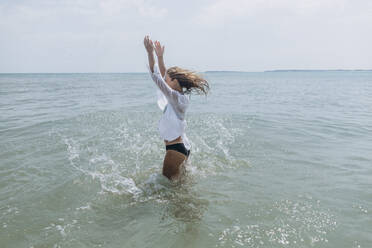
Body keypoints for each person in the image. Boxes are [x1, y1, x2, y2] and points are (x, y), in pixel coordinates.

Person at [143, 35, 210, 180]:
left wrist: (150, 53)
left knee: (169, 192)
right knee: (179, 189)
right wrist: (160, 57)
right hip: (183, 148)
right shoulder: (180, 97)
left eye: (168, 79)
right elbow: (163, 74)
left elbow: (156, 77)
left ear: (174, 81)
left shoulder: (174, 97)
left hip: (175, 150)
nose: (165, 80)